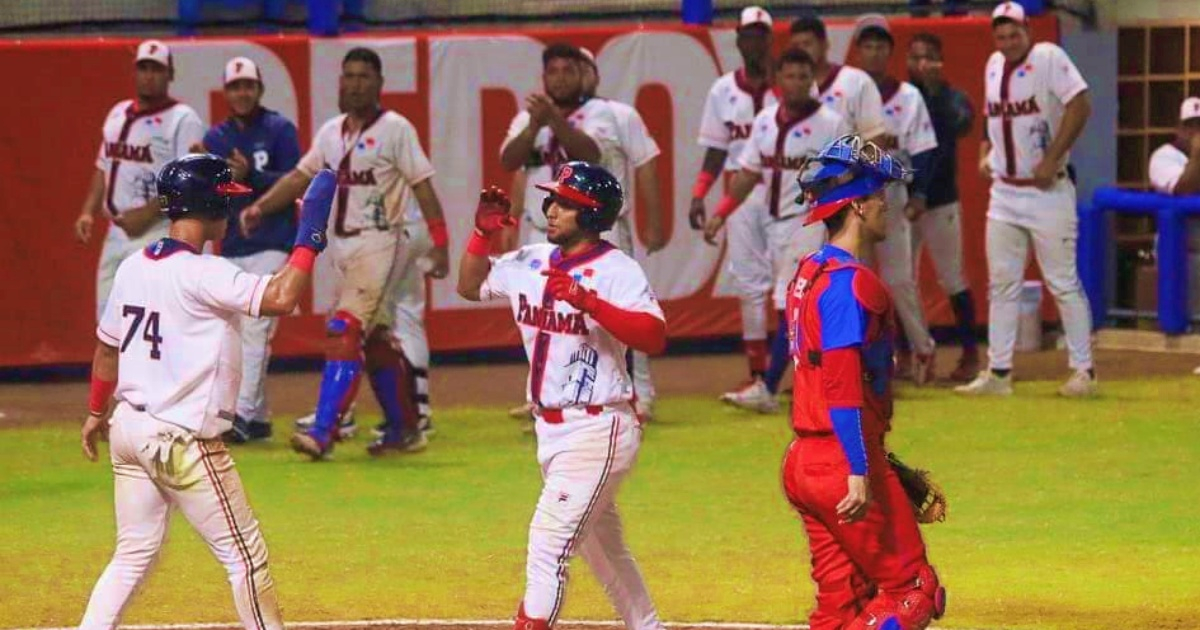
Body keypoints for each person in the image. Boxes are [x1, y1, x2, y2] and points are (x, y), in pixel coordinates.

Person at [77, 155, 336, 630]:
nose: (229, 211)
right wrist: (310, 239)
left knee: (132, 555)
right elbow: (281, 298)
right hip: (179, 442)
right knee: (246, 557)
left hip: (128, 431)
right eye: (225, 200)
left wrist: (96, 410)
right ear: (208, 204)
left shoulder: (133, 266)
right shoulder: (204, 273)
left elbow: (106, 350)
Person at [457, 163, 666, 630]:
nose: (551, 208)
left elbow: (653, 337)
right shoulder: (531, 259)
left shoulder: (617, 270)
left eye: (565, 202)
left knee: (548, 544)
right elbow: (469, 286)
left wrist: (589, 301)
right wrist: (480, 234)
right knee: (604, 551)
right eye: (553, 199)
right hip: (551, 431)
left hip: (598, 427)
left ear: (591, 214)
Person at [243, 47, 451, 457]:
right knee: (372, 339)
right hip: (345, 247)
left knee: (344, 329)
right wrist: (260, 206)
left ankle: (323, 431)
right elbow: (300, 177)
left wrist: (441, 242)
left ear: (379, 83)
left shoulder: (395, 128)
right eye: (348, 76)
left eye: (363, 76)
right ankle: (404, 428)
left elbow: (423, 184)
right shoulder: (332, 131)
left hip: (383, 239)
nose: (354, 84)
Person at [782, 135, 946, 630]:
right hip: (841, 461)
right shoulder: (851, 284)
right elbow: (842, 383)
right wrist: (860, 466)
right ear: (857, 205)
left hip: (804, 462)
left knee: (840, 605)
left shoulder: (808, 274)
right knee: (913, 591)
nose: (887, 208)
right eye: (880, 198)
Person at [956, 1, 1096, 397]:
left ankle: (1084, 370)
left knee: (1062, 282)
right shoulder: (993, 65)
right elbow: (991, 114)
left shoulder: (1048, 56)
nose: (1007, 41)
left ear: (1028, 31)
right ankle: (999, 372)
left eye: (1013, 33)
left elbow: (1080, 104)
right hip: (1004, 190)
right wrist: (986, 151)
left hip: (1047, 191)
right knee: (1001, 284)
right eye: (1000, 35)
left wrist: (1052, 158)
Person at [702, 47, 850, 412]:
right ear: (778, 80)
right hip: (770, 224)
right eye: (790, 75)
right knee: (800, 307)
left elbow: (847, 176)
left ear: (813, 80)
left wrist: (839, 223)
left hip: (807, 222)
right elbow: (749, 172)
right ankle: (818, 383)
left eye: (804, 76)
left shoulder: (831, 122)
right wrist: (721, 212)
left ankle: (768, 387)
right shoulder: (767, 119)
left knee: (789, 303)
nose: (797, 83)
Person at [197, 56, 302, 443]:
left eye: (248, 86)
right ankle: (257, 419)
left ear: (259, 89)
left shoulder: (279, 129)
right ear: (226, 92)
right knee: (233, 335)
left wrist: (251, 176)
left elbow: (297, 180)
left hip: (273, 243)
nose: (242, 93)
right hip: (233, 248)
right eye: (235, 86)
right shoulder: (216, 139)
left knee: (256, 330)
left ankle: (238, 415)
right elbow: (206, 194)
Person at [74, 39, 205, 322]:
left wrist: (145, 215)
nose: (149, 75)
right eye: (143, 68)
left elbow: (185, 181)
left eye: (156, 69)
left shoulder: (183, 119)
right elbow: (103, 166)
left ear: (170, 74)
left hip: (156, 229)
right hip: (116, 231)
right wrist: (87, 211)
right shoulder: (118, 112)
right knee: (107, 322)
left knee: (147, 321)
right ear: (134, 72)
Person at [690, 6, 780, 409]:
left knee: (791, 287)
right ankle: (758, 374)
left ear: (769, 40)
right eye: (750, 35)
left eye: (762, 34)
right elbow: (716, 148)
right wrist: (699, 192)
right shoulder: (724, 89)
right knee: (749, 285)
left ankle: (793, 371)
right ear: (739, 41)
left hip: (786, 192)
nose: (756, 42)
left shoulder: (789, 84)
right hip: (741, 195)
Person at [853, 17, 939, 386]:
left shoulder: (907, 96)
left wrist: (919, 194)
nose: (875, 52)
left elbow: (922, 151)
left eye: (881, 46)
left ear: (890, 51)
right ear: (858, 50)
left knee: (900, 280)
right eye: (868, 45)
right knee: (855, 281)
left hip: (891, 194)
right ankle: (869, 360)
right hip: (854, 198)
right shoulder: (847, 90)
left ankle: (923, 348)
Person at [907, 32, 981, 382]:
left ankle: (969, 354)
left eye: (929, 57)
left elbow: (962, 124)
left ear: (940, 61)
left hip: (939, 201)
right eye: (916, 57)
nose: (922, 64)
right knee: (899, 281)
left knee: (952, 277)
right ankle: (909, 353)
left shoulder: (953, 98)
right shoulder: (900, 98)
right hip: (903, 204)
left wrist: (935, 96)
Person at [501, 42, 618, 245]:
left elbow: (591, 155)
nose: (560, 78)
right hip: (541, 233)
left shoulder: (598, 112)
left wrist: (553, 119)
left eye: (568, 71)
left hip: (588, 234)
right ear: (544, 78)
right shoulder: (529, 117)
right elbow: (509, 163)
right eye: (553, 72)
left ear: (580, 76)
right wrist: (532, 129)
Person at [1148, 96, 1200, 374]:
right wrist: (1197, 156)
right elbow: (1183, 189)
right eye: (1191, 126)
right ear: (1179, 129)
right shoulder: (1163, 156)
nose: (1196, 133)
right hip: (1181, 246)